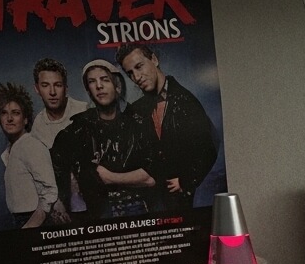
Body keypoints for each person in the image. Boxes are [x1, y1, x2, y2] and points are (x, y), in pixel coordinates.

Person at [116, 43, 218, 210]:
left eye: (139, 66)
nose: (137, 77)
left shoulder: (184, 100)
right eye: (130, 73)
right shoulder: (136, 109)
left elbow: (210, 145)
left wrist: (187, 180)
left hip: (176, 198)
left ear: (154, 60)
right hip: (150, 195)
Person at [50, 60, 157, 220]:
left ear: (117, 86)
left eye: (104, 80)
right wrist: (58, 201)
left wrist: (108, 177)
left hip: (139, 209)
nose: (99, 86)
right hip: (99, 213)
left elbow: (151, 177)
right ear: (89, 90)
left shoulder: (137, 123)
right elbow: (55, 163)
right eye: (92, 82)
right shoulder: (79, 129)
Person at [29, 58, 88, 220]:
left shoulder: (84, 110)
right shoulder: (37, 128)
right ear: (37, 89)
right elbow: (40, 175)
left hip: (93, 199)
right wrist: (55, 203)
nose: (52, 92)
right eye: (45, 85)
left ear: (66, 88)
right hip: (62, 205)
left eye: (58, 85)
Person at [0, 81, 58, 228]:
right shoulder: (11, 150)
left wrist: (29, 228)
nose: (9, 118)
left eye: (15, 113)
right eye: (4, 113)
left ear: (25, 119)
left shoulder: (31, 145)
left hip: (34, 221)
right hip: (18, 220)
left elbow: (50, 192)